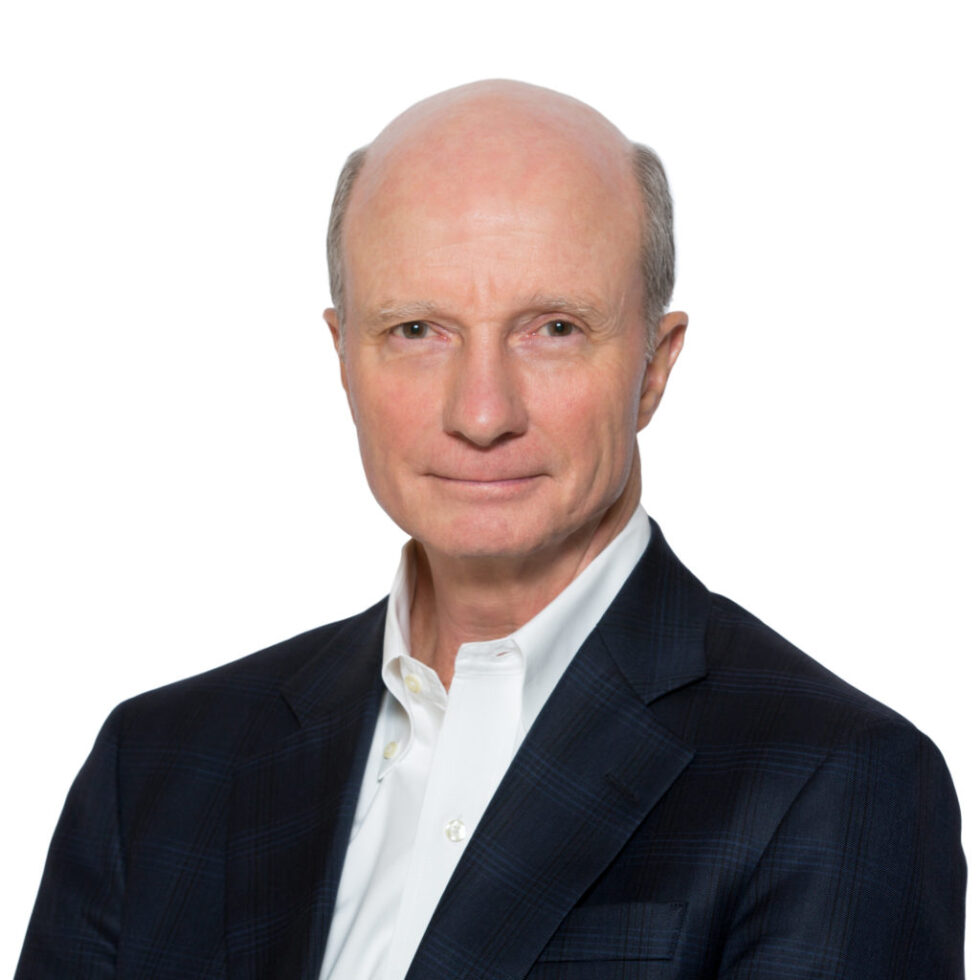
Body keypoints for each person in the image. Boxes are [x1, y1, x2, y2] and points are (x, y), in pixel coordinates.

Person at [17, 79, 965, 979]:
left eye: (552, 328)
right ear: (343, 358)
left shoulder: (835, 781)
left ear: (654, 365)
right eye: (416, 331)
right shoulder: (156, 767)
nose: (481, 413)